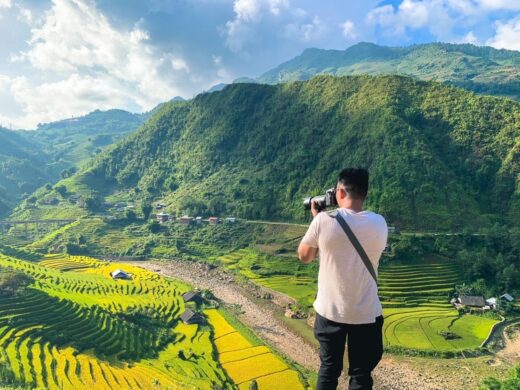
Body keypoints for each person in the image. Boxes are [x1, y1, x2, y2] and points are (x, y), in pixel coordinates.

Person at [298, 168, 388, 390]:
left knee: (329, 370)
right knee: (360, 374)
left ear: (339, 192)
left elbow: (305, 256)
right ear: (365, 194)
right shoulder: (380, 223)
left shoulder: (323, 221)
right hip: (366, 313)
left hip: (331, 312)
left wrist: (316, 219)